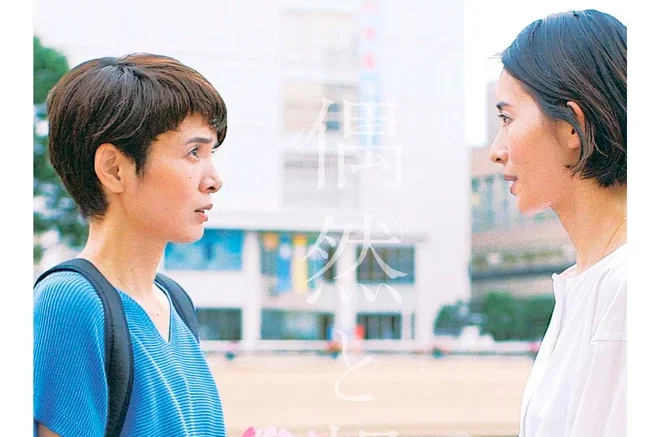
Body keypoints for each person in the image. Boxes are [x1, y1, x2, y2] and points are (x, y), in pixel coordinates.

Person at [34, 53, 228, 436]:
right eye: (193, 152)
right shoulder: (70, 303)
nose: (214, 180)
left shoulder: (174, 301)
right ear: (114, 169)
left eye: (212, 154)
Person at [489, 9, 626, 437]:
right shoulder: (587, 285)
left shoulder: (626, 293)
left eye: (507, 119)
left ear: (572, 126)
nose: (496, 150)